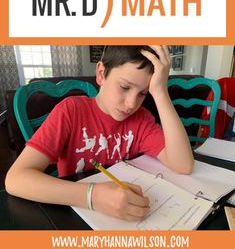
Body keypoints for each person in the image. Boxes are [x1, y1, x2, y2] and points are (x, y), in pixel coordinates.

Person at [5, 45, 194, 222]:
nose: (131, 104)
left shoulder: (141, 119)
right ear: (101, 73)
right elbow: (15, 179)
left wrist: (160, 92)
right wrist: (92, 196)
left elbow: (183, 164)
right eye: (125, 87)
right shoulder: (71, 111)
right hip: (79, 215)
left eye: (143, 93)